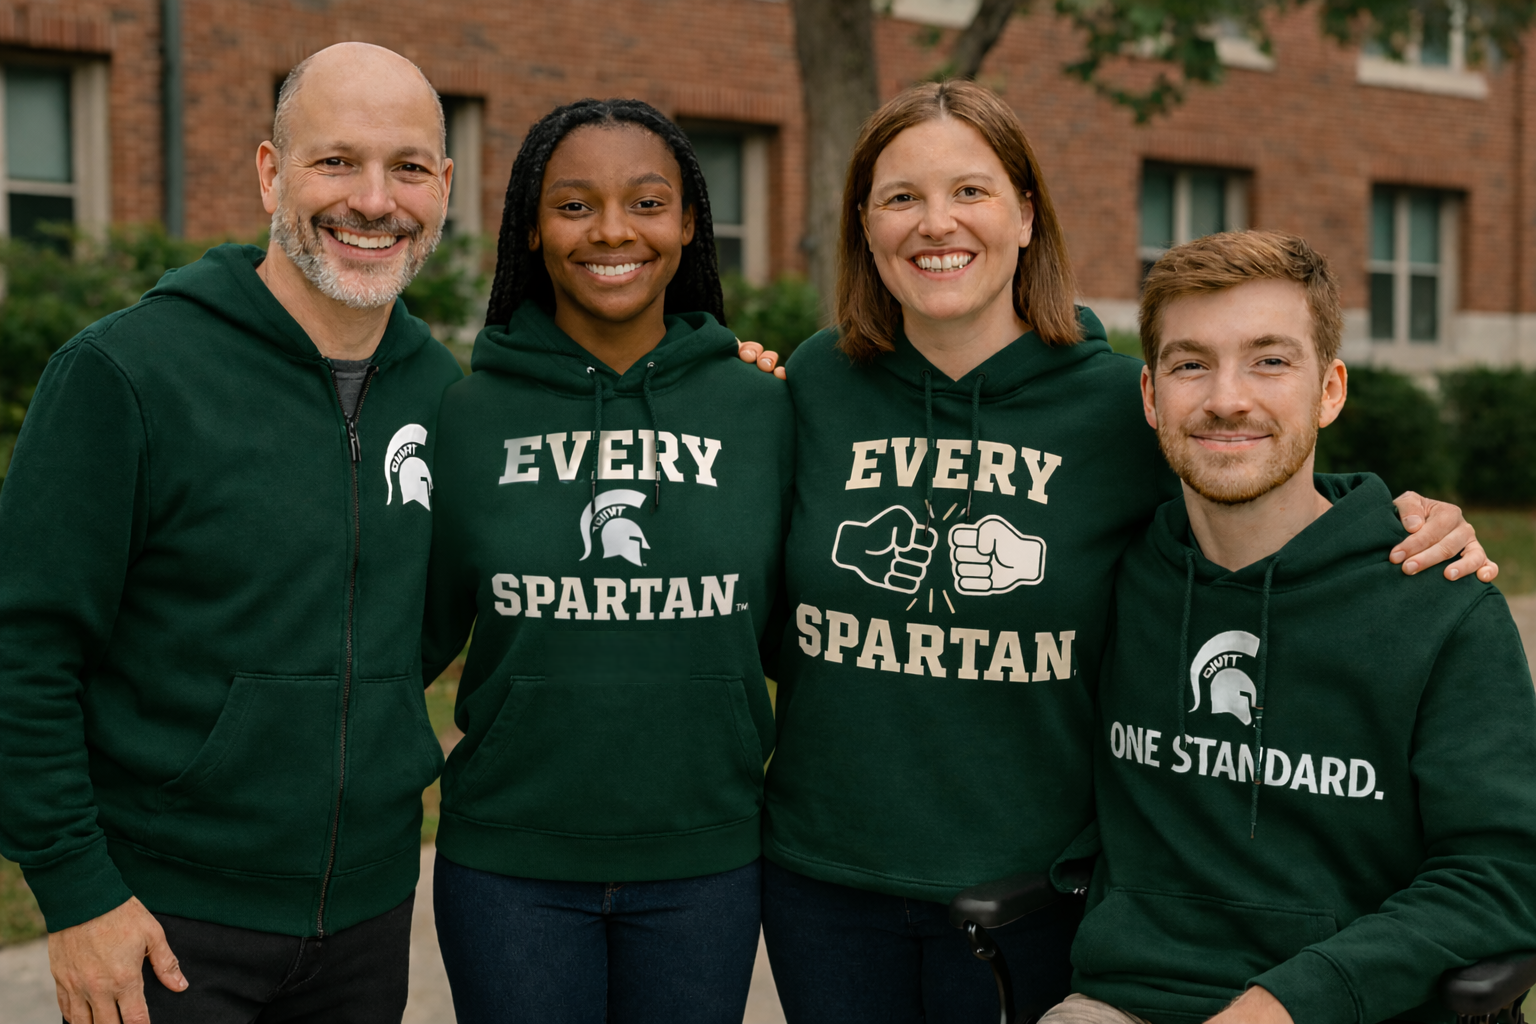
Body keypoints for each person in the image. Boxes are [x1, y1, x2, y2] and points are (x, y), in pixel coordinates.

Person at [743, 80, 1496, 1024]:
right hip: (821, 878)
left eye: (971, 190)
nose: (937, 222)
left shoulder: (1117, 406)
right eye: (901, 197)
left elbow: (1251, 475)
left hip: (1037, 893)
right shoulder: (811, 381)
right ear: (863, 222)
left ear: (1025, 213)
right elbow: (747, 584)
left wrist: (1407, 519)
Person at [0, 43, 463, 1024]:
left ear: (445, 187)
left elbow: (411, 625)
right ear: (269, 172)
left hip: (371, 915)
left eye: (408, 167)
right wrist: (77, 892)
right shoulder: (126, 375)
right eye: (336, 161)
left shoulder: (445, 395)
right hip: (165, 924)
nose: (375, 201)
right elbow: (23, 649)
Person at [1037, 229, 1536, 1024]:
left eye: (1269, 360)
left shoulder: (1438, 601)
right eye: (1190, 363)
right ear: (1149, 395)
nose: (1227, 397)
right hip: (1122, 1003)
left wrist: (1286, 1004)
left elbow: (1505, 870)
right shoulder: (1114, 581)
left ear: (1330, 390)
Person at [420, 98, 792, 1023]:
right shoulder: (467, 417)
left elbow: (804, 629)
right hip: (511, 866)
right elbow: (404, 642)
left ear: (690, 221)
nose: (614, 231)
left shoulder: (767, 409)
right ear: (532, 230)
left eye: (647, 202)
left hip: (706, 864)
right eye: (575, 205)